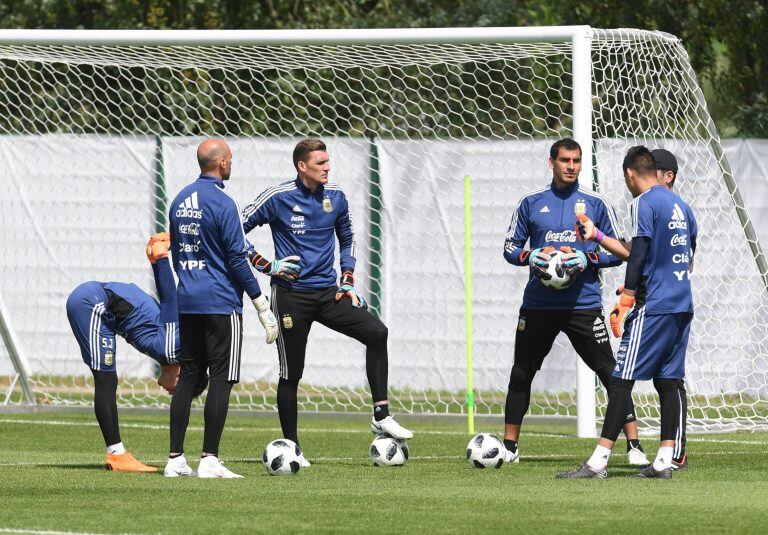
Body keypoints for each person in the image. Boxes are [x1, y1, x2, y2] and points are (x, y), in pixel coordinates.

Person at [241, 138, 413, 464]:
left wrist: (347, 279)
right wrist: (266, 264)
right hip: (291, 296)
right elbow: (234, 227)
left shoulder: (335, 197)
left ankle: (381, 414)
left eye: (328, 161)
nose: (327, 167)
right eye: (320, 163)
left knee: (377, 332)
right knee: (292, 373)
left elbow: (347, 238)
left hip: (329, 294)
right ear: (301, 166)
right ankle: (292, 448)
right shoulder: (277, 197)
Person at [502, 138, 648, 465]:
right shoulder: (530, 203)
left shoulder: (595, 204)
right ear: (551, 162)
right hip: (538, 306)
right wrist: (532, 255)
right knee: (521, 373)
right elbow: (510, 248)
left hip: (583, 304)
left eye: (577, 161)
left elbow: (621, 252)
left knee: (611, 374)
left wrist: (585, 259)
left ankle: (634, 446)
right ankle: (509, 448)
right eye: (565, 160)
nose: (572, 166)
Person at [558, 146, 697, 479]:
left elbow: (638, 255)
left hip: (655, 306)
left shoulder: (644, 203)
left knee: (621, 379)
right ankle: (665, 460)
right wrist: (599, 236)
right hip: (681, 303)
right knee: (668, 378)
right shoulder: (682, 206)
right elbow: (686, 258)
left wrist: (629, 297)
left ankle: (598, 462)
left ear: (631, 175)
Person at [164, 138, 278, 479]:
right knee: (222, 379)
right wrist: (260, 303)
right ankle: (210, 459)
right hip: (220, 302)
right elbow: (236, 258)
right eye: (231, 158)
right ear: (223, 163)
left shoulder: (179, 200)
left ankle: (174, 460)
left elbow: (177, 252)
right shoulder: (224, 203)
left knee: (188, 378)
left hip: (188, 300)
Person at [65, 232, 182, 472]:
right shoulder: (172, 349)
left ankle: (117, 454)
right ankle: (116, 455)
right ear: (181, 375)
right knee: (106, 380)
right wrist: (160, 259)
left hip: (99, 307)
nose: (169, 391)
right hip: (94, 303)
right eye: (175, 390)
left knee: (107, 379)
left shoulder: (166, 350)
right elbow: (171, 301)